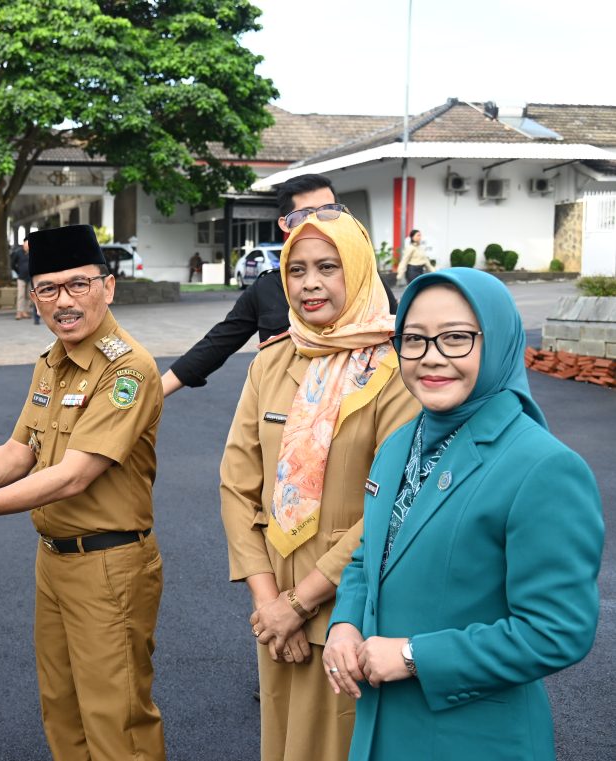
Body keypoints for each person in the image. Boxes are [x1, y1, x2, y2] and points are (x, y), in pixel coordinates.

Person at [0, 224, 167, 761]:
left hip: (108, 565)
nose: (63, 302)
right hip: (55, 562)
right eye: (48, 288)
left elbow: (73, 475)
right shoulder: (53, 361)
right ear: (34, 296)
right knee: (62, 710)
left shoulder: (127, 368)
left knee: (118, 723)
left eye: (78, 285)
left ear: (107, 287)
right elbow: (19, 452)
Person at [323, 269, 604, 761]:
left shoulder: (543, 467)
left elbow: (557, 629)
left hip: (473, 739)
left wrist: (413, 656)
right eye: (413, 339)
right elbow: (370, 555)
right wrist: (344, 623)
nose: (431, 357)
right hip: (380, 732)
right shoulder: (398, 445)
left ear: (496, 343)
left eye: (456, 338)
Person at [219, 210, 419, 761]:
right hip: (274, 609)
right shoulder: (273, 361)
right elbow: (237, 482)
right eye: (298, 270)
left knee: (337, 746)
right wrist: (268, 602)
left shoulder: (395, 368)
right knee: (280, 744)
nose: (310, 284)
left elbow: (394, 502)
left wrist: (300, 603)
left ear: (356, 270)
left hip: (348, 605)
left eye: (328, 267)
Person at [162, 174, 398, 397]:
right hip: (284, 413)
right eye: (306, 214)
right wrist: (148, 396)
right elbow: (217, 344)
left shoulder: (367, 282)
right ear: (285, 225)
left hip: (360, 407)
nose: (319, 224)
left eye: (328, 212)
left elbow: (402, 336)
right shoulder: (266, 289)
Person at [11, 239, 31, 319]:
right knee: (21, 295)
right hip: (21, 277)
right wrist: (18, 271)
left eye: (29, 246)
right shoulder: (18, 253)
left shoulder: (32, 253)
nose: (27, 247)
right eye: (26, 245)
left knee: (28, 296)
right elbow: (12, 264)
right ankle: (19, 312)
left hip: (30, 277)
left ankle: (25, 312)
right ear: (23, 245)